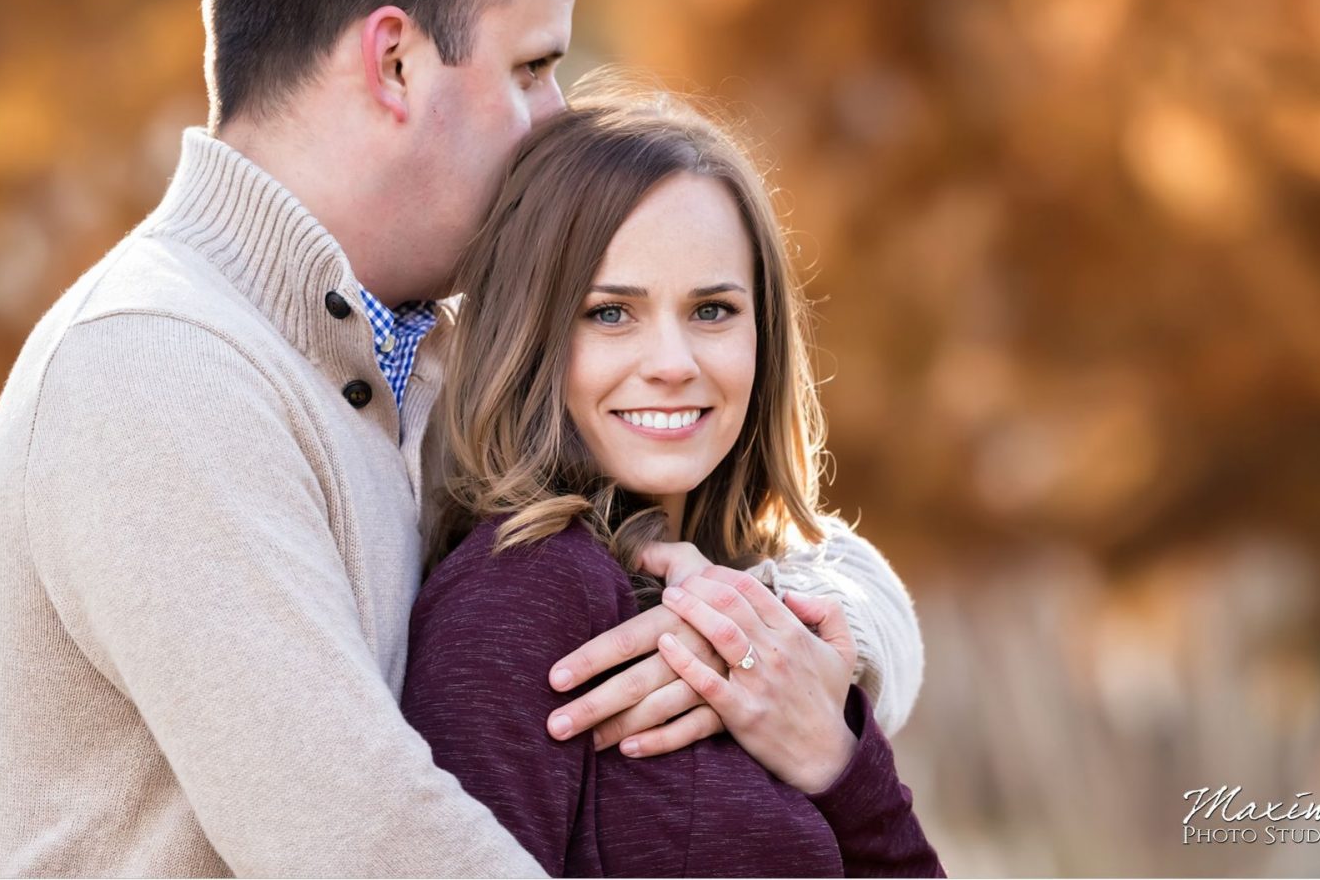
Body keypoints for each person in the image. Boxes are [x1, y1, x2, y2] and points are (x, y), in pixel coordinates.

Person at [0, 0, 925, 876]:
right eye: (532, 67)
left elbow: (815, 544)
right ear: (395, 61)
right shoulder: (157, 370)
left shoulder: (430, 358)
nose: (558, 120)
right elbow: (365, 837)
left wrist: (767, 639)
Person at [403, 83, 943, 877]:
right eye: (611, 313)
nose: (672, 363)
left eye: (713, 310)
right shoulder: (525, 591)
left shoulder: (758, 612)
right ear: (532, 331)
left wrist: (834, 755)